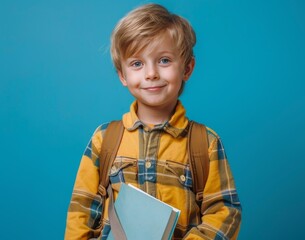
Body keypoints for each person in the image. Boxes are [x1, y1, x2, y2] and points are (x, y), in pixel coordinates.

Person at [65, 3, 242, 240]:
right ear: (122, 75)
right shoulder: (104, 139)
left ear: (187, 68)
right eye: (137, 63)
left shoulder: (205, 142)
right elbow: (82, 210)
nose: (151, 74)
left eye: (164, 60)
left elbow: (225, 212)